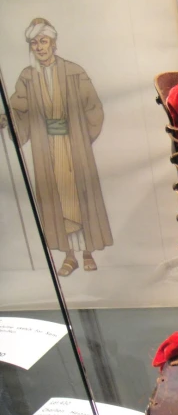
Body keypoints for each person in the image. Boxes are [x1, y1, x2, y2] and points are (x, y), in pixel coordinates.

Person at [0, 17, 113, 276]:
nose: (39, 47)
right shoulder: (28, 76)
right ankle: (69, 256)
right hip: (46, 148)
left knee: (80, 197)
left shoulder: (74, 71)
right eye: (34, 43)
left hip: (74, 147)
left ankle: (87, 253)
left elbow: (93, 106)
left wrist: (82, 136)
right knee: (56, 201)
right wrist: (8, 118)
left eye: (43, 41)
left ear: (53, 43)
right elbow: (19, 106)